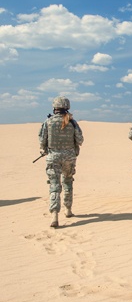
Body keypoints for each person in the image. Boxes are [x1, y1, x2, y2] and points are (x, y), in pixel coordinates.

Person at [38, 96, 84, 227]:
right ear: (67, 107)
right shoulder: (72, 122)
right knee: (68, 182)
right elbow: (80, 140)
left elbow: (42, 140)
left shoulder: (48, 122)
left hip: (53, 156)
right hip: (69, 157)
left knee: (54, 186)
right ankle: (68, 210)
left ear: (55, 107)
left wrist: (44, 149)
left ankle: (54, 215)